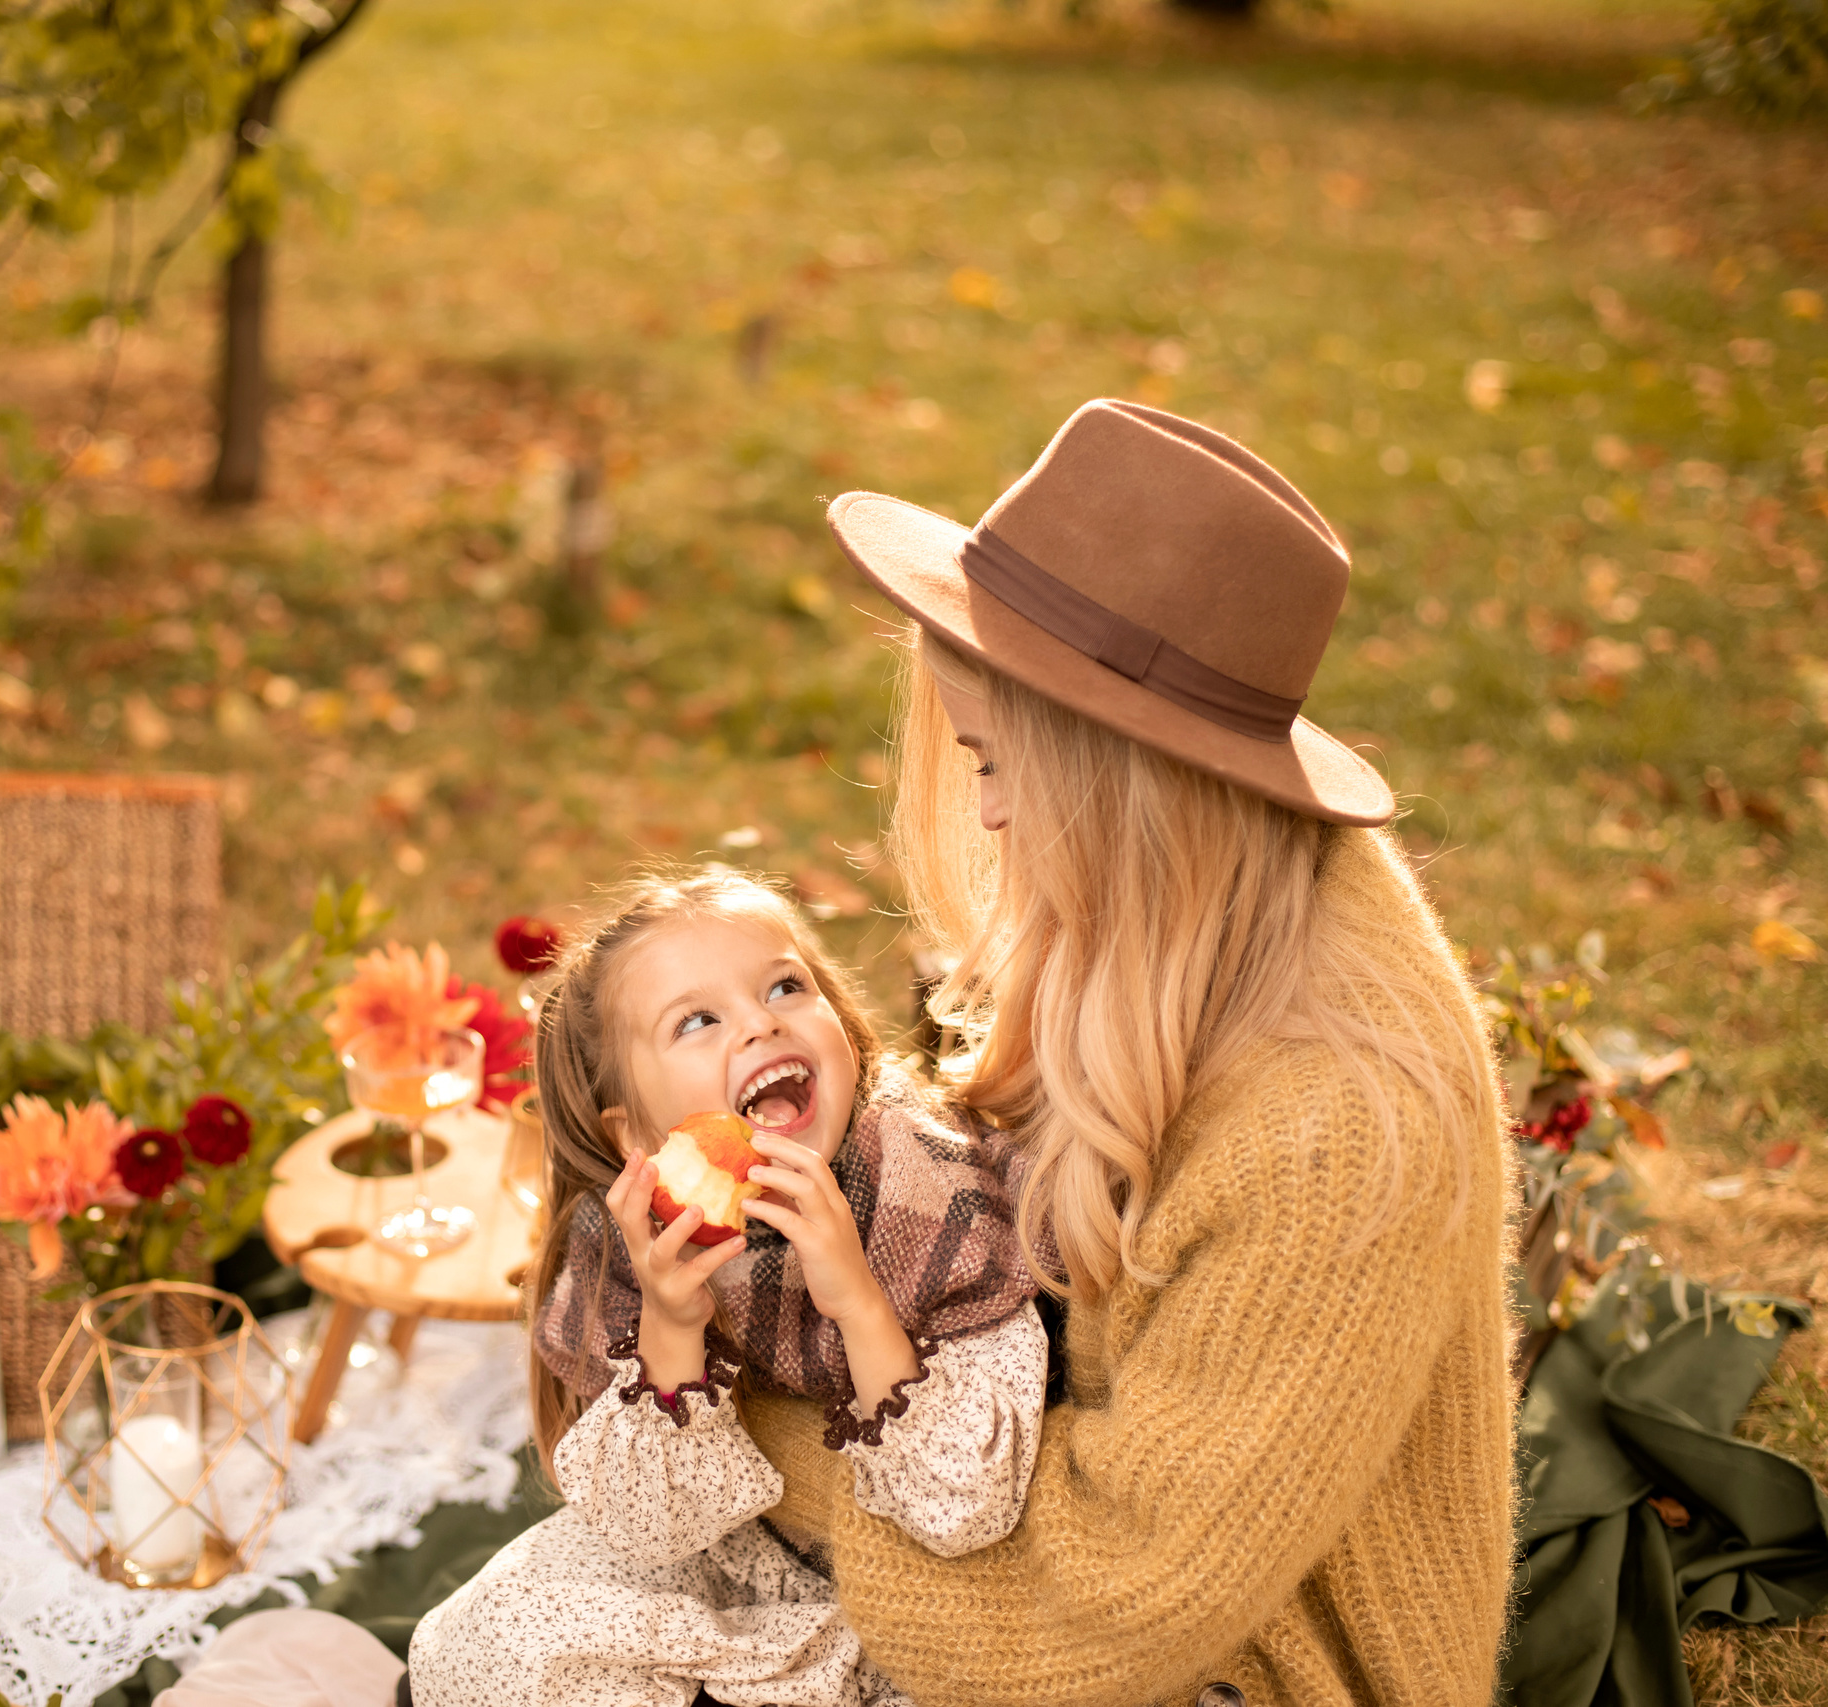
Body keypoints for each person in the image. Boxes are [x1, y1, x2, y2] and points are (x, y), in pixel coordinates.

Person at [733, 400, 1516, 1707]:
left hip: (1237, 1662)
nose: (982, 804)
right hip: (1058, 1510)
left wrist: (768, 1433)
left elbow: (1101, 1612)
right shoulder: (1197, 888)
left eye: (1000, 758)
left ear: (1124, 781)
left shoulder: (1334, 1130)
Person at [405, 870, 1048, 1707]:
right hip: (739, 1583)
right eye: (698, 1020)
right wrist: (674, 1323)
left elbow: (969, 1504)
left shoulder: (939, 1193)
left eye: (786, 984)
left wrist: (856, 1296)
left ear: (844, 1027)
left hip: (915, 1601)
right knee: (476, 1641)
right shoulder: (638, 1246)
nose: (761, 1020)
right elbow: (655, 1534)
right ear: (634, 1130)